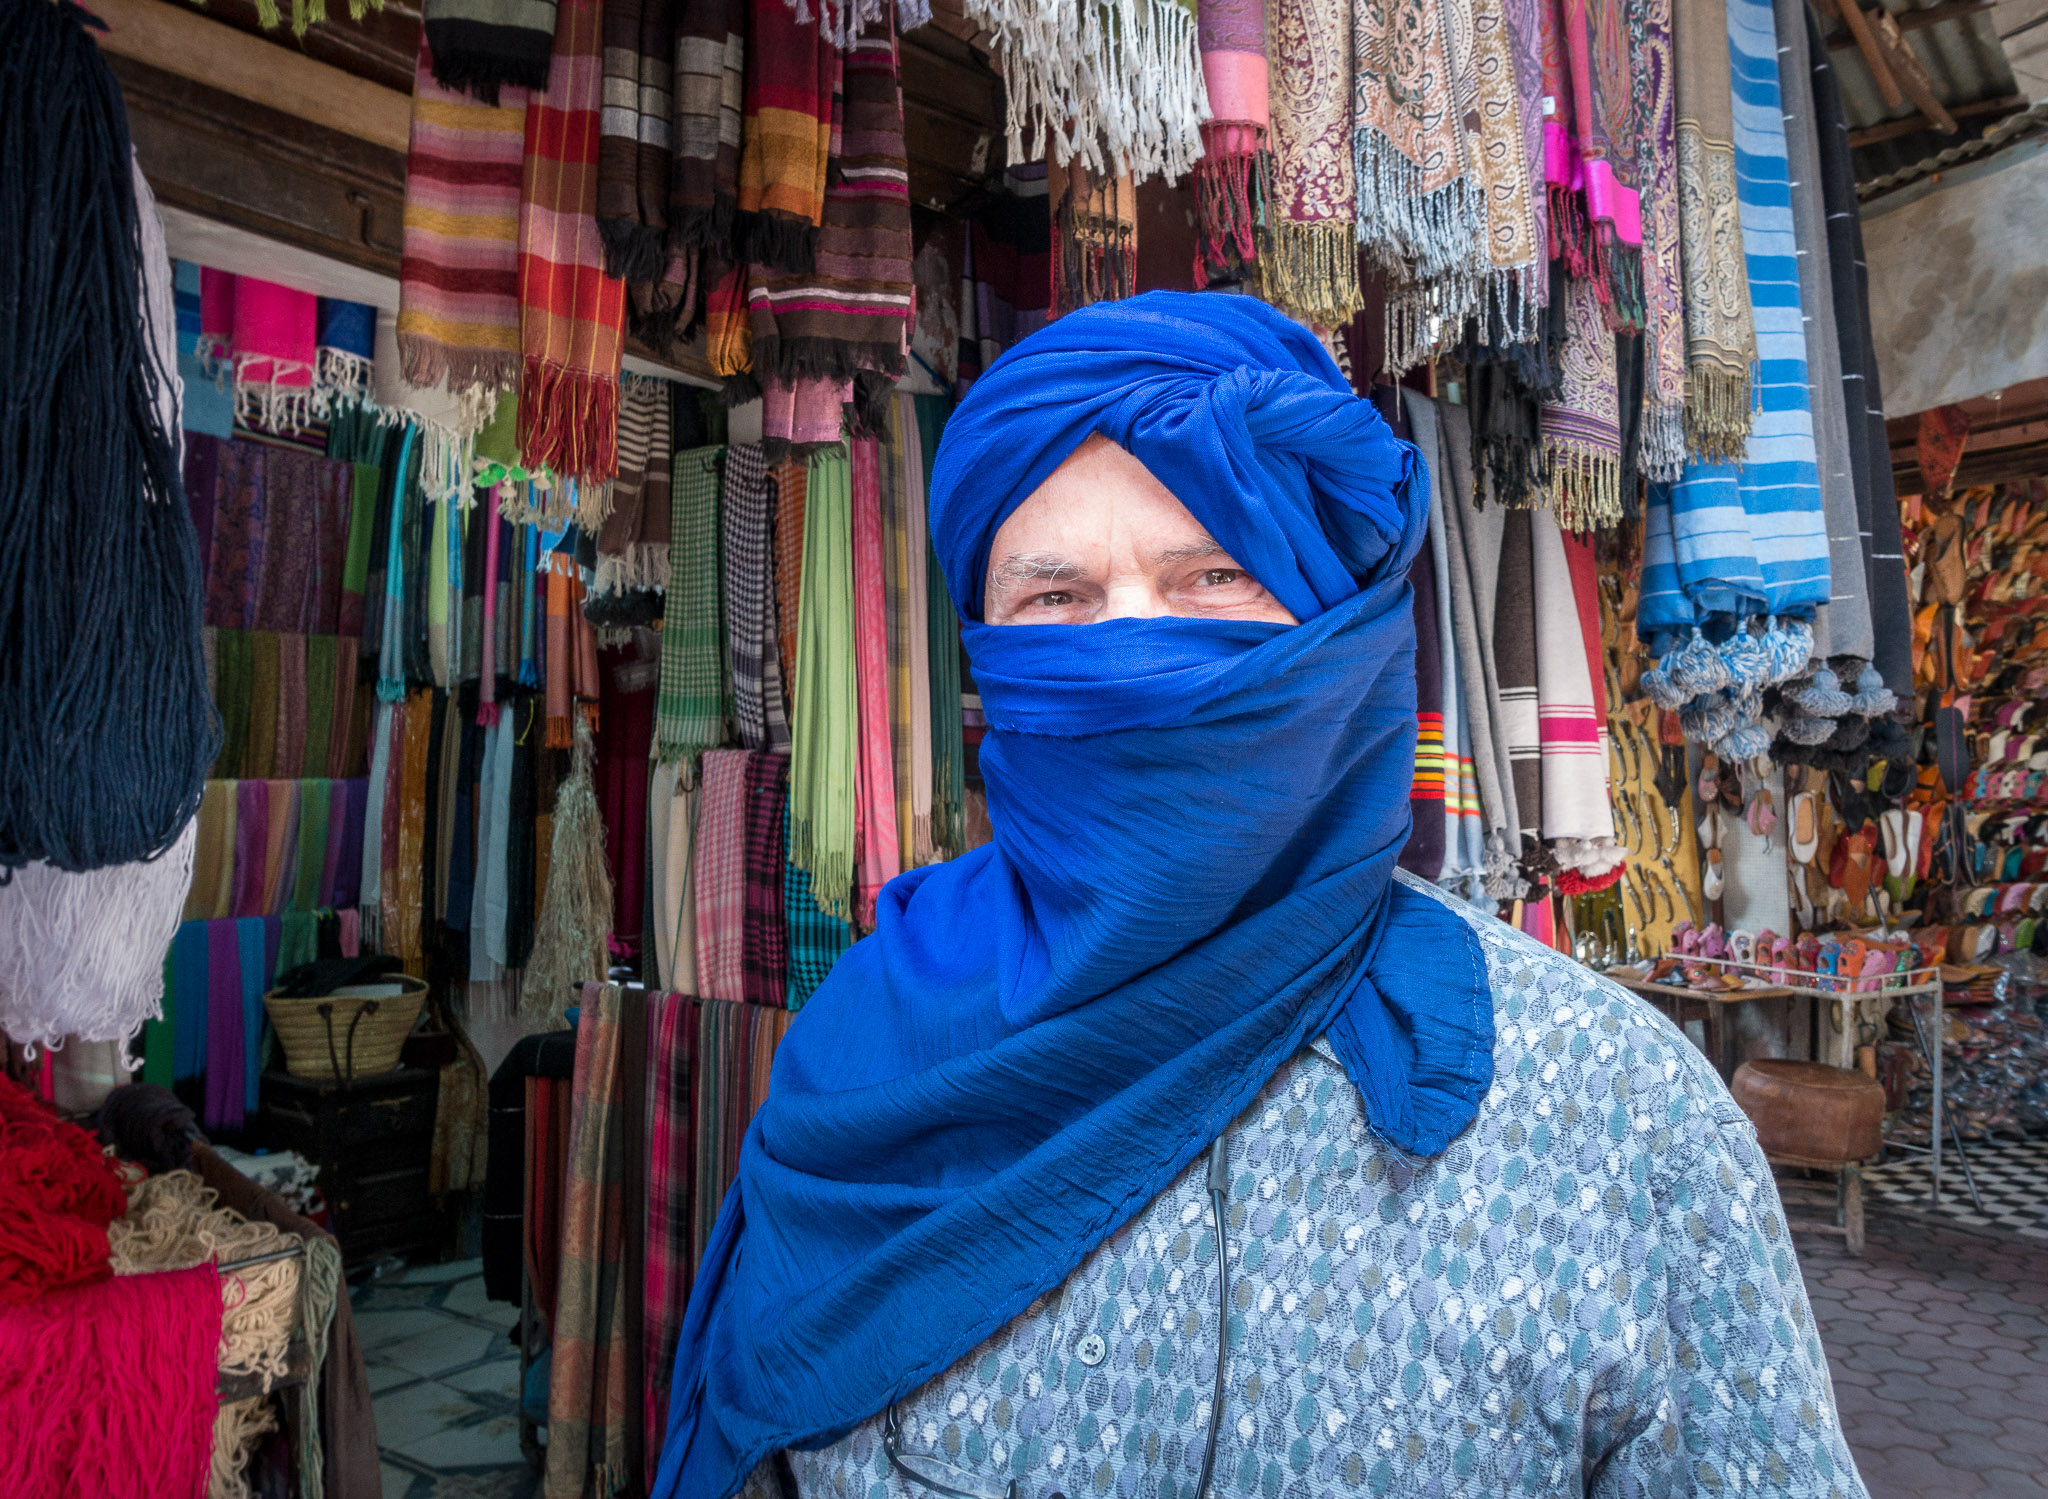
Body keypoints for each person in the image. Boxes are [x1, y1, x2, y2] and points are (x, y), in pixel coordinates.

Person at [651, 292, 1867, 1499]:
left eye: (1214, 575)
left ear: (1340, 634)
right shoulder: (862, 1046)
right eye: (1054, 599)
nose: (1134, 661)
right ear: (989, 646)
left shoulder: (1612, 1112)